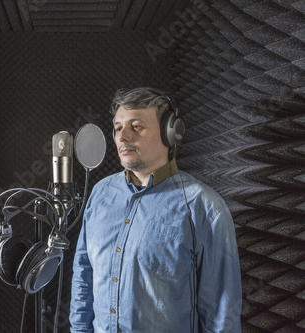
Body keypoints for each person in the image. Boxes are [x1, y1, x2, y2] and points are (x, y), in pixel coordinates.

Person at [69, 88, 242, 333]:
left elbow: (222, 314)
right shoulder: (100, 194)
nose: (122, 137)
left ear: (170, 133)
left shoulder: (204, 208)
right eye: (118, 128)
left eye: (136, 127)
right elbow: (83, 275)